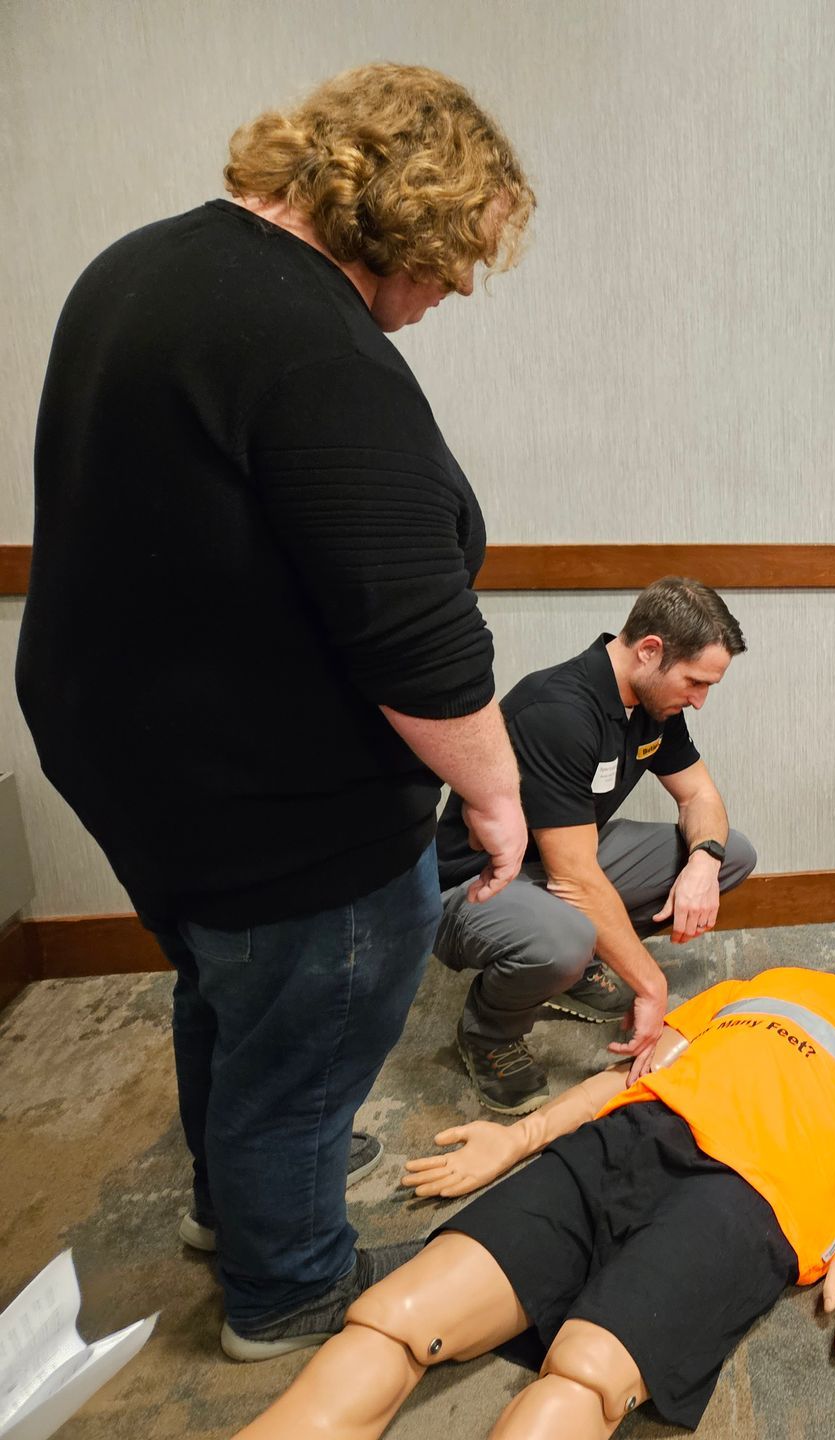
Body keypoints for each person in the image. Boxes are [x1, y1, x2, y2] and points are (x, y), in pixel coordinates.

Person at [15, 64, 536, 1360]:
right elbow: (416, 638)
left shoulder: (147, 268)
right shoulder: (313, 342)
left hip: (131, 753)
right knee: (311, 1017)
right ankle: (287, 1284)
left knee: (229, 983)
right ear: (406, 217)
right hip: (276, 795)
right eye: (456, 258)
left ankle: (228, 1204)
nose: (456, 293)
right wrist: (496, 793)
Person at [235, 917, 835, 1437]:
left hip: (754, 1197)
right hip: (629, 1138)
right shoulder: (769, 981)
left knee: (584, 1374)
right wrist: (518, 1137)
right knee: (394, 1315)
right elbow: (640, 1073)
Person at [435, 578, 759, 1113]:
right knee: (564, 938)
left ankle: (579, 954)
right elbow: (574, 879)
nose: (699, 701)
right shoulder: (559, 711)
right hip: (476, 884)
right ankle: (488, 1031)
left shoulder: (654, 705)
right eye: (695, 682)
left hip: (564, 858)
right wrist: (651, 985)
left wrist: (705, 861)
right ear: (650, 650)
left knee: (733, 852)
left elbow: (699, 794)